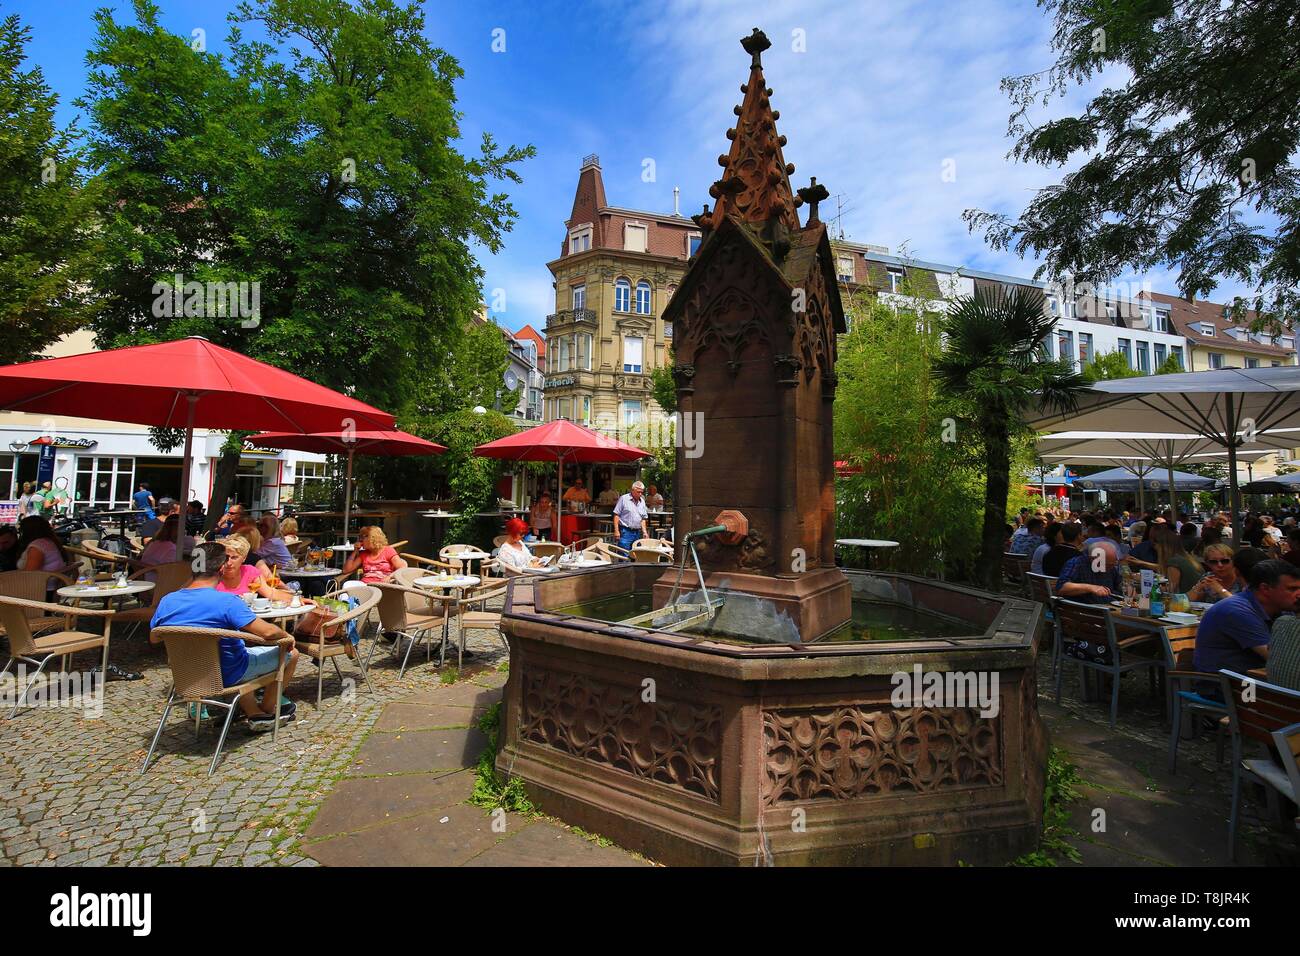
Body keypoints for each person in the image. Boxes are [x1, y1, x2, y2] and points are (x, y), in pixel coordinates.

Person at [150, 541, 298, 731]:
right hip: (230, 673)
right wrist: (286, 636)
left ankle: (254, 712)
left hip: (187, 674)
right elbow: (268, 632)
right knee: (290, 654)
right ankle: (266, 711)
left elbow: (154, 638)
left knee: (236, 651)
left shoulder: (167, 601)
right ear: (221, 568)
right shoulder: (228, 602)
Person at [1193, 559, 1300, 681]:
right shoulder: (1236, 611)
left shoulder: (1281, 606)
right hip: (1227, 688)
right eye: (1292, 589)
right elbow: (1279, 661)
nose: (1299, 594)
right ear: (1265, 589)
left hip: (1253, 680)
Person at [215, 535, 292, 601]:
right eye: (225, 557)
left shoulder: (249, 571)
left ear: (244, 558)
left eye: (234, 557)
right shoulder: (213, 574)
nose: (228, 563)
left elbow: (270, 592)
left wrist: (295, 599)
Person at [1055, 536, 1121, 604]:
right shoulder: (1077, 563)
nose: (1111, 568)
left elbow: (1119, 587)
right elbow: (1061, 587)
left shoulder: (1110, 568)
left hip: (1108, 608)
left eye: (1113, 564)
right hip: (1083, 610)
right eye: (1108, 565)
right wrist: (1090, 588)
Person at [340, 525, 406, 583]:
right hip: (365, 586)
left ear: (373, 538)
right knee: (347, 585)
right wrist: (355, 551)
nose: (360, 540)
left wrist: (389, 577)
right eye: (360, 537)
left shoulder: (388, 550)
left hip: (383, 586)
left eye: (363, 537)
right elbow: (346, 570)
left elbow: (402, 567)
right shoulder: (364, 554)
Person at [1155, 525, 1203, 593]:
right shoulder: (1185, 557)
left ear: (1162, 546)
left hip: (1188, 600)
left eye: (1156, 545)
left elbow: (1172, 589)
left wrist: (1154, 588)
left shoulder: (1173, 561)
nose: (1155, 548)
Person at [613, 481, 650, 551]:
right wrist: (616, 530)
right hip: (625, 531)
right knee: (624, 554)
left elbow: (643, 518)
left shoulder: (642, 501)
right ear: (632, 490)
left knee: (636, 554)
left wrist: (644, 532)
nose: (640, 494)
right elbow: (616, 515)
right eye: (638, 492)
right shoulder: (623, 499)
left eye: (642, 492)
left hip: (637, 532)